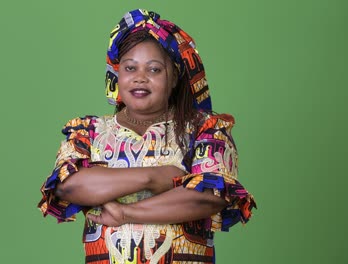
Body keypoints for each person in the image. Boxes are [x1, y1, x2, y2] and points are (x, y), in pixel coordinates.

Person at [38, 9, 256, 264]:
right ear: (117, 74)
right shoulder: (89, 131)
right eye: (130, 68)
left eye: (154, 70)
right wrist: (154, 177)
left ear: (174, 77)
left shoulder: (205, 129)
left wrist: (125, 213)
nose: (140, 78)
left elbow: (207, 197)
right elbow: (70, 186)